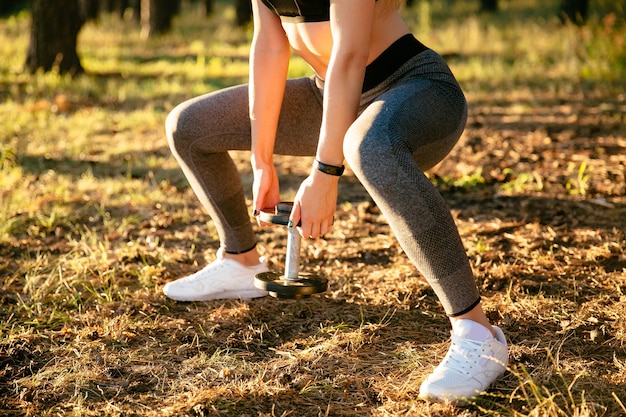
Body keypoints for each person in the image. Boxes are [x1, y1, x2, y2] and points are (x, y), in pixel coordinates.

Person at [162, 0, 508, 402]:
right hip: (328, 94)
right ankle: (240, 262)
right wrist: (262, 161)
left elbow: (350, 54)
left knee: (367, 147)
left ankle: (478, 333)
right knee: (189, 126)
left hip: (413, 89)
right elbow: (270, 48)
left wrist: (324, 173)